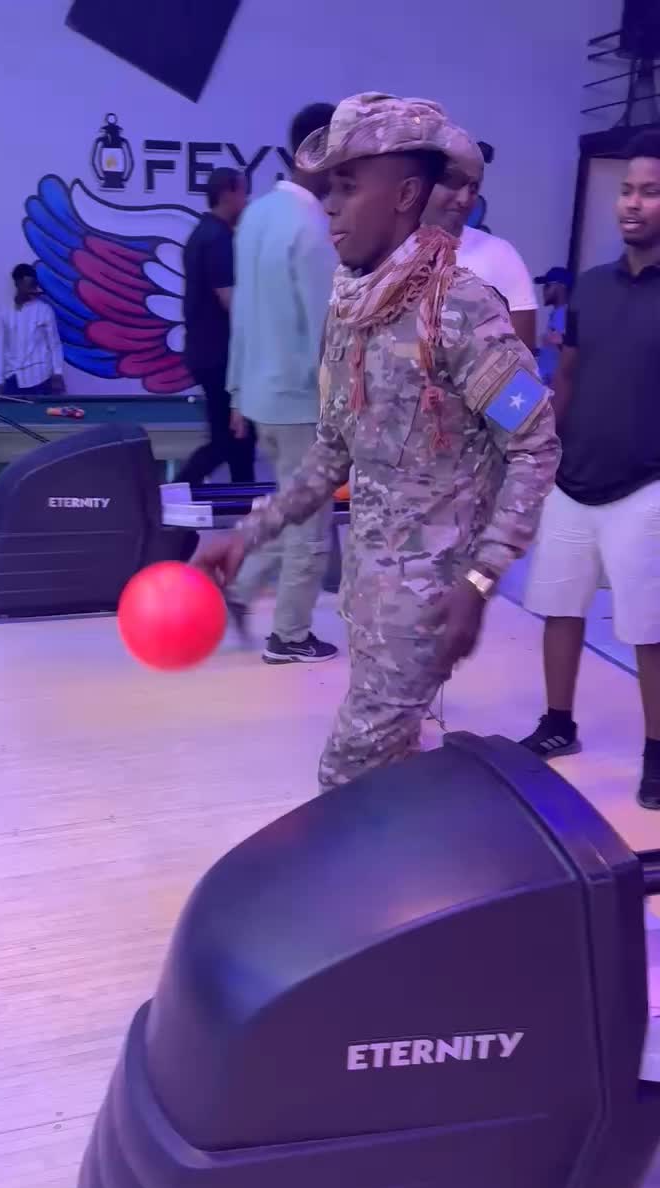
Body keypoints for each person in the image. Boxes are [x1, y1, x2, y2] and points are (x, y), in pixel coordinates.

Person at [196, 93, 559, 789]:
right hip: (368, 589)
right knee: (390, 772)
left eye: (347, 187)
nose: (329, 207)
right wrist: (249, 533)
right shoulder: (354, 307)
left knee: (348, 771)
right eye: (327, 188)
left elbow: (535, 443)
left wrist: (481, 580)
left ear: (405, 195)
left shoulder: (462, 311)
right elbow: (332, 451)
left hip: (428, 602)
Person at [520, 130, 660, 810]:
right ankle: (558, 723)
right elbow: (567, 376)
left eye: (650, 192)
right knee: (559, 606)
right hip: (573, 478)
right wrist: (545, 449)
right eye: (627, 191)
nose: (632, 203)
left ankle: (657, 753)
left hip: (646, 483)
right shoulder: (592, 288)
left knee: (648, 629)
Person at [224, 103, 339, 664]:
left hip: (259, 396)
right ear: (321, 151)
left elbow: (242, 313)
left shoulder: (257, 215)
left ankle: (241, 589)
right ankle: (289, 636)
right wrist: (344, 404)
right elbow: (326, 331)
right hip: (301, 401)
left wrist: (236, 393)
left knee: (287, 508)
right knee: (310, 525)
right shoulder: (313, 228)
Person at [179, 167, 253, 484]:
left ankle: (245, 501)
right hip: (218, 357)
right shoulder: (217, 239)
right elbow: (231, 301)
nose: (247, 200)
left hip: (206, 354)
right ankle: (173, 491)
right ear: (227, 194)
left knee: (239, 441)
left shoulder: (202, 234)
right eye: (243, 192)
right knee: (229, 439)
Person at [422, 148, 537, 350]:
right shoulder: (384, 249)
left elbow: (523, 360)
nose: (464, 199)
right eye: (453, 182)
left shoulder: (501, 256)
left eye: (473, 188)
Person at [0, 264, 65, 396]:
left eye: (34, 284)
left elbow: (55, 344)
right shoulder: (5, 312)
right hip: (13, 378)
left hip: (40, 378)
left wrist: (58, 373)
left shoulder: (44, 310)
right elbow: (2, 348)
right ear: (17, 283)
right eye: (29, 284)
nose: (33, 289)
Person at [534, 266, 572, 386]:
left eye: (547, 286)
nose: (543, 290)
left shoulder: (567, 315)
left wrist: (562, 342)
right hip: (543, 384)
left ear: (561, 287)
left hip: (552, 388)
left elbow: (571, 352)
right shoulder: (557, 313)